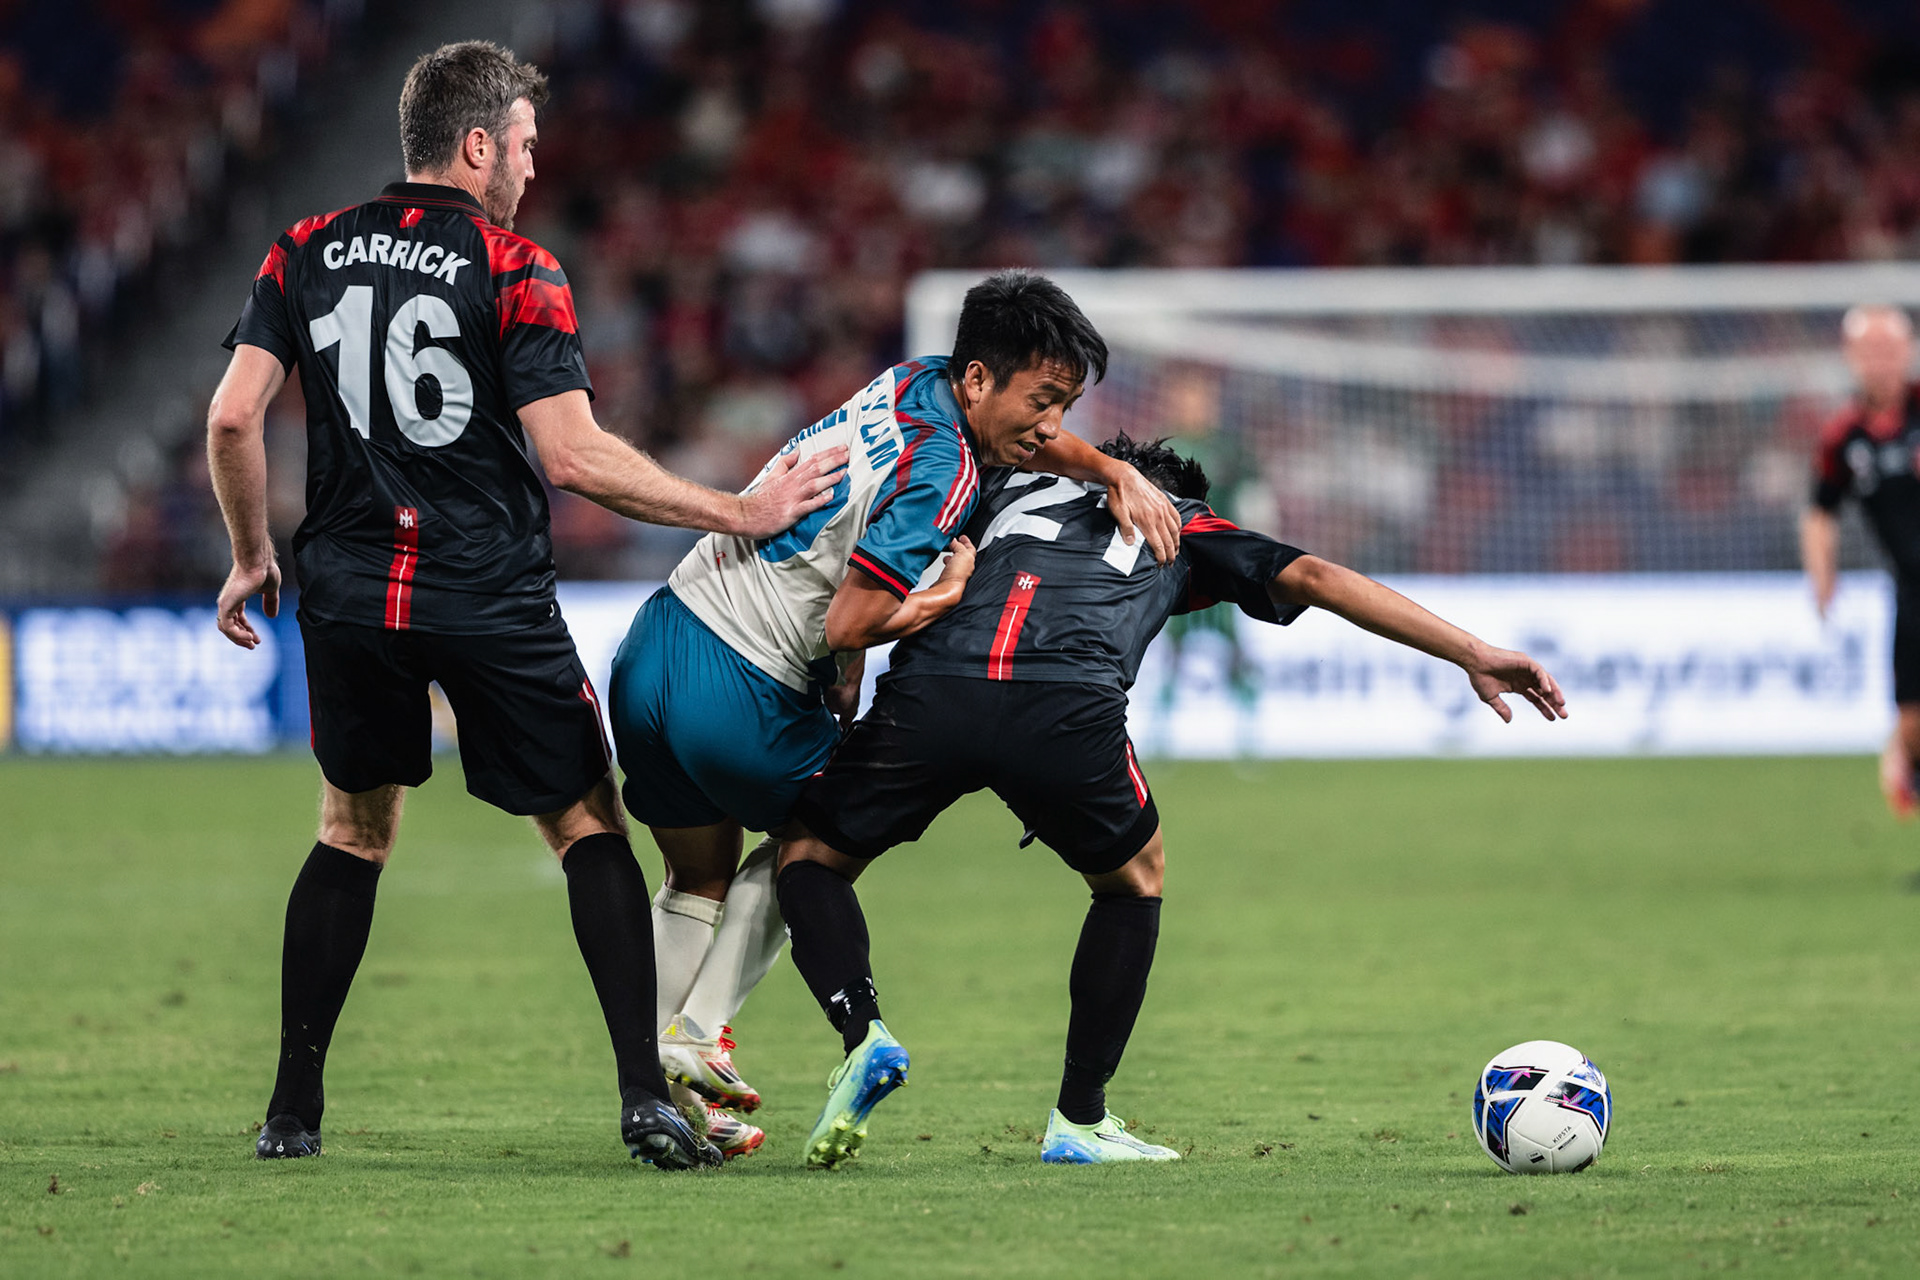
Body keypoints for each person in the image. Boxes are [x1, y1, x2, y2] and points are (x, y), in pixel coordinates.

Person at [205, 41, 845, 1169]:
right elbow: (575, 455)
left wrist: (253, 551)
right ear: (478, 144)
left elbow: (229, 419)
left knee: (351, 830)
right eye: (527, 147)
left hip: (351, 590)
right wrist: (739, 513)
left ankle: (291, 1112)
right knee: (585, 820)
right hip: (483, 588)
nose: (533, 170)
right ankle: (645, 1096)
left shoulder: (298, 250)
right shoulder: (515, 265)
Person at [776, 435, 1568, 1167]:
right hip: (1064, 704)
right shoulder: (1185, 523)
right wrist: (1471, 650)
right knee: (1134, 879)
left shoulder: (1002, 488)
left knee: (808, 855)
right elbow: (1319, 580)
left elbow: (896, 541)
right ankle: (1080, 1120)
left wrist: (846, 661)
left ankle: (861, 1028)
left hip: (932, 687)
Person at [604, 270, 1180, 1156]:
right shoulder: (944, 473)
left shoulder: (913, 380)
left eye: (1067, 405)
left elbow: (1030, 446)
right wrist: (947, 594)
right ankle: (697, 1034)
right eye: (1045, 399)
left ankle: (658, 1097)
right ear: (981, 381)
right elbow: (851, 622)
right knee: (814, 844)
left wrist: (1107, 468)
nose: (1053, 426)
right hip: (740, 683)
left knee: (695, 881)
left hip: (655, 646)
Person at [1802, 304, 1920, 816]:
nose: (1881, 361)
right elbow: (1820, 511)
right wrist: (1822, 578)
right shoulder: (1844, 436)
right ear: (1851, 358)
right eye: (1869, 351)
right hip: (1911, 594)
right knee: (1912, 725)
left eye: (1889, 349)